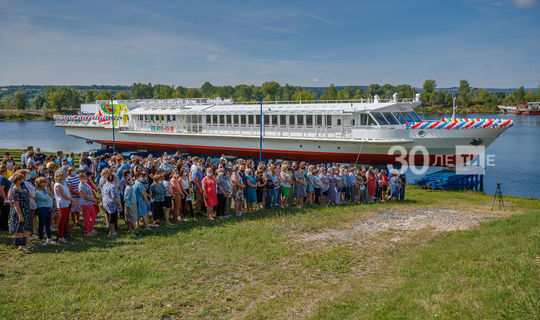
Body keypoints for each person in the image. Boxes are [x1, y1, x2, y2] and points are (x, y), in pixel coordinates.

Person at [9, 173, 31, 251]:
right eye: (22, 179)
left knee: (24, 228)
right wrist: (20, 215)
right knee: (19, 229)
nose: (23, 180)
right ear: (18, 181)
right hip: (19, 212)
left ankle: (26, 243)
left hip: (25, 211)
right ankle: (21, 246)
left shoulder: (21, 189)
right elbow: (16, 205)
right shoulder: (14, 191)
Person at [34, 177, 55, 245]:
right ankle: (41, 239)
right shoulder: (37, 192)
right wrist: (48, 194)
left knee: (48, 224)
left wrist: (49, 194)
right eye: (44, 182)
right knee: (41, 224)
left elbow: (51, 198)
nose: (46, 183)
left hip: (48, 208)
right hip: (42, 209)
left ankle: (49, 238)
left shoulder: (45, 190)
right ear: (40, 183)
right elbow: (45, 198)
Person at [54, 169, 72, 244]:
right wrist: (71, 200)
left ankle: (66, 234)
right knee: (62, 221)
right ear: (60, 176)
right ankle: (60, 236)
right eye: (64, 174)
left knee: (66, 220)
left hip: (67, 203)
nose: (66, 176)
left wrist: (70, 200)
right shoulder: (58, 185)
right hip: (62, 204)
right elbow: (63, 195)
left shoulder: (64, 183)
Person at [78, 172, 98, 236]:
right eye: (83, 178)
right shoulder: (81, 186)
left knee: (93, 216)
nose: (85, 179)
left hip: (90, 203)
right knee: (86, 218)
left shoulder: (86, 184)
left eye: (85, 178)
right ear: (80, 179)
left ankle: (90, 228)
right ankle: (87, 231)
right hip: (85, 204)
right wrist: (93, 200)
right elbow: (84, 196)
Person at [0, 165, 12, 230]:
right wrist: (5, 199)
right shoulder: (2, 178)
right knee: (4, 213)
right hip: (2, 199)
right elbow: (1, 189)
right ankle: (3, 227)